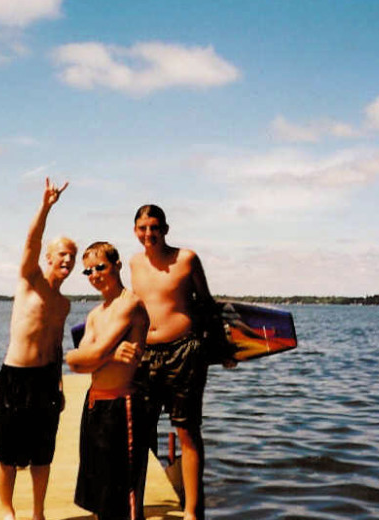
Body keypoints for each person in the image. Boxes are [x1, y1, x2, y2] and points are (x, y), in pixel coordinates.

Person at [130, 204, 227, 520]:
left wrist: (222, 350)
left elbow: (208, 305)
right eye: (143, 228)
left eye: (155, 227)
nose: (149, 234)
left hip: (184, 352)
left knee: (187, 431)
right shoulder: (132, 264)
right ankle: (135, 510)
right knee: (139, 435)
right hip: (144, 356)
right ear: (135, 231)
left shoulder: (186, 259)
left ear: (165, 230)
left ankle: (192, 512)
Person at [0, 178, 77, 520]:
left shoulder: (64, 303)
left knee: (43, 451)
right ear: (47, 257)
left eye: (72, 257)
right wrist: (46, 206)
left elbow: (57, 346)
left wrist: (59, 384)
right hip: (16, 376)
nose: (68, 261)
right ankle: (7, 511)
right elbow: (32, 239)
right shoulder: (30, 279)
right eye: (62, 255)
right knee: (9, 453)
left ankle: (38, 513)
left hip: (45, 379)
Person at [66, 242, 149, 520]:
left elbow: (92, 354)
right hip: (95, 405)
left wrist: (98, 354)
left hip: (121, 405)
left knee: (125, 495)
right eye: (88, 271)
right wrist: (112, 355)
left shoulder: (131, 304)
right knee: (100, 492)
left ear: (117, 265)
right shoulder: (95, 314)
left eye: (100, 267)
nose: (94, 275)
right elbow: (74, 362)